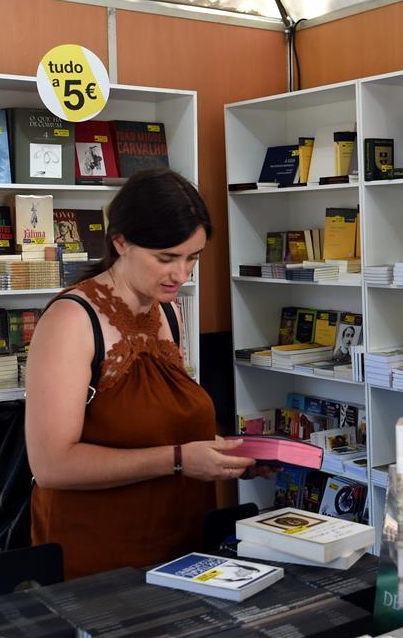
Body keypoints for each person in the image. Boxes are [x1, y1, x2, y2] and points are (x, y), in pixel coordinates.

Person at [25, 168, 260, 579]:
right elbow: (51, 465)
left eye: (193, 257)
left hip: (180, 543)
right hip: (98, 556)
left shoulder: (168, 311)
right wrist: (179, 460)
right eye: (166, 258)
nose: (181, 274)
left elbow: (160, 422)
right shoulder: (71, 320)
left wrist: (227, 458)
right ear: (121, 243)